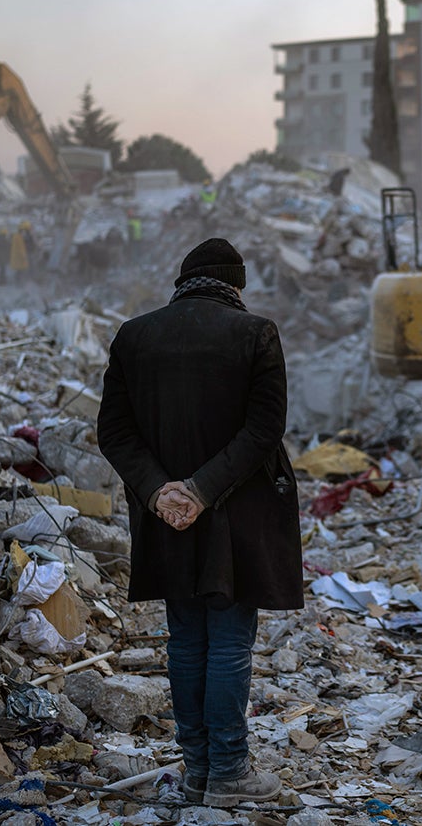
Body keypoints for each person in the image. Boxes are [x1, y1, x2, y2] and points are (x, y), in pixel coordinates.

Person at [97, 238, 302, 807]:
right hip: (233, 516)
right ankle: (230, 775)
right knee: (230, 643)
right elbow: (265, 429)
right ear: (234, 285)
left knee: (185, 640)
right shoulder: (255, 333)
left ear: (183, 279)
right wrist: (202, 490)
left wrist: (162, 490)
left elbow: (113, 432)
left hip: (165, 518)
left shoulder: (134, 335)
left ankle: (196, 772)